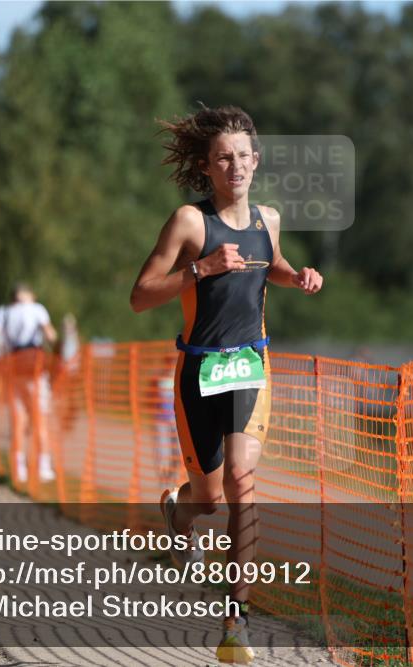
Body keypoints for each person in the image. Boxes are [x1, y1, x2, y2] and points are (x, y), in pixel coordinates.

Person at [130, 105, 323, 663]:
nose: (235, 165)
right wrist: (201, 269)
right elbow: (141, 295)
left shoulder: (269, 219)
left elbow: (273, 265)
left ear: (256, 161)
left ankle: (236, 621)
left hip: (250, 366)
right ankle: (178, 512)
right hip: (198, 370)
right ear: (206, 167)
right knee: (209, 500)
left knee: (242, 478)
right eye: (223, 157)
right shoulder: (190, 223)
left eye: (243, 156)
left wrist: (299, 276)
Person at [0, 283, 58, 483]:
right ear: (30, 294)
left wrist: (4, 351)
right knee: (39, 420)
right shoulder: (37, 309)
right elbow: (51, 335)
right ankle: (43, 467)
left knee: (18, 421)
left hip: (13, 368)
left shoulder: (4, 312)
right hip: (34, 371)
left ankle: (19, 469)